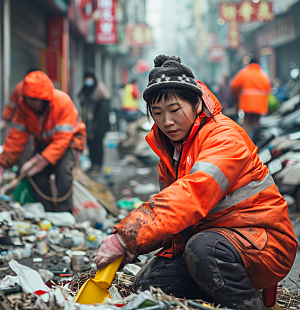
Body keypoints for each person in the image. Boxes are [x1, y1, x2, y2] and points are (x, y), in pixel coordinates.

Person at [93, 55, 297, 310]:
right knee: (150, 285)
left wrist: (125, 238)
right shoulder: (170, 151)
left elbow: (187, 198)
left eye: (175, 110)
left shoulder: (223, 137)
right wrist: (134, 248)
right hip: (218, 241)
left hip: (263, 242)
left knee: (204, 249)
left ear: (197, 103)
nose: (166, 121)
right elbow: (171, 217)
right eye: (157, 113)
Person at [0, 71, 86, 212]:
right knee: (36, 176)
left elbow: (61, 141)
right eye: (28, 99)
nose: (30, 103)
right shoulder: (24, 106)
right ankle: (48, 211)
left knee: (62, 173)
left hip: (70, 142)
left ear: (44, 99)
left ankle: (65, 212)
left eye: (34, 100)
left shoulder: (62, 102)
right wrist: (2, 165)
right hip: (44, 142)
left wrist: (39, 161)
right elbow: (16, 138)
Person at [79, 69, 110, 174]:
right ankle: (93, 164)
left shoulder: (100, 92)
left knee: (97, 144)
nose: (88, 80)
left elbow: (104, 114)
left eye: (90, 77)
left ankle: (97, 165)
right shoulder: (85, 90)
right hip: (87, 123)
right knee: (90, 144)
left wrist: (100, 127)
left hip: (98, 125)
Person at [231, 58, 271, 136]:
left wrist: (237, 97)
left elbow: (234, 85)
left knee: (246, 122)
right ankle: (257, 141)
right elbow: (268, 89)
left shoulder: (244, 73)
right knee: (256, 122)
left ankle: (247, 141)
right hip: (259, 104)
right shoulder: (263, 74)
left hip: (246, 103)